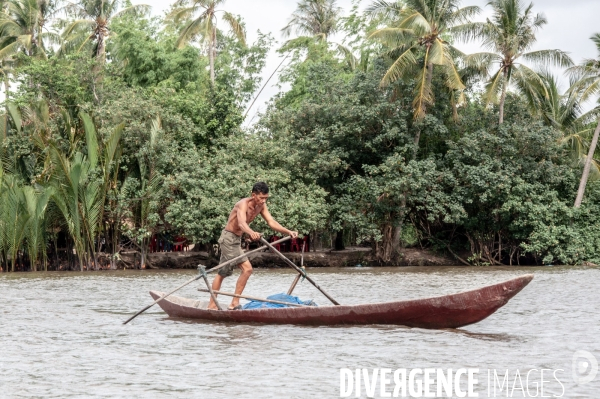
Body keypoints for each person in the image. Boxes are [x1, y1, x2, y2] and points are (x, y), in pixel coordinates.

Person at [208, 182, 298, 310]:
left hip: (236, 240)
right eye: (261, 198)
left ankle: (212, 304)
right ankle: (234, 303)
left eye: (266, 198)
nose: (263, 201)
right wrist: (251, 233)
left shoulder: (261, 206)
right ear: (253, 195)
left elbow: (271, 222)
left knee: (222, 273)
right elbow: (241, 223)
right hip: (228, 238)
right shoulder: (242, 204)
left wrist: (288, 231)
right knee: (247, 269)